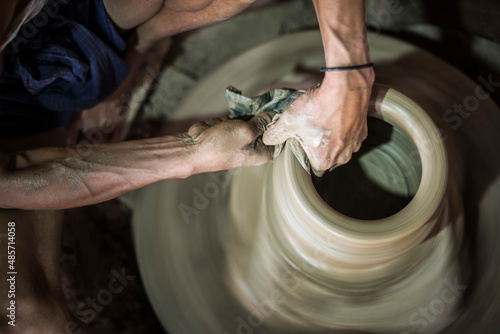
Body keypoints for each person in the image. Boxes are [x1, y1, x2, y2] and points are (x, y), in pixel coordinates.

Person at [0, 0, 373, 333]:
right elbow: (10, 180)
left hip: (38, 35)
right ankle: (91, 78)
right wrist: (190, 151)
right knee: (26, 316)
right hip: (11, 134)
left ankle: (135, 47)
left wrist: (349, 77)